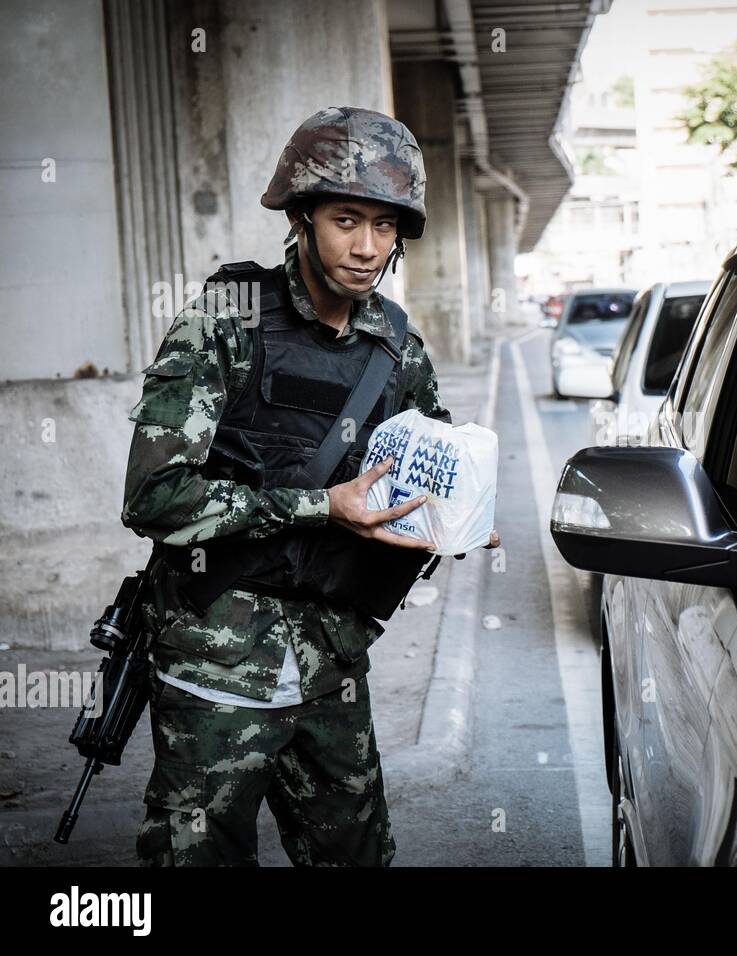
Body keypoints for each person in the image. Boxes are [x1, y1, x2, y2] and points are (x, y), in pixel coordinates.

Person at [122, 106, 498, 866]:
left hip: (333, 664)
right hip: (217, 665)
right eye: (346, 219)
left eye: (386, 227)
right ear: (300, 217)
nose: (367, 248)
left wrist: (453, 521)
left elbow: (432, 459)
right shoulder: (222, 323)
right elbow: (153, 497)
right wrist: (321, 505)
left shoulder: (395, 346)